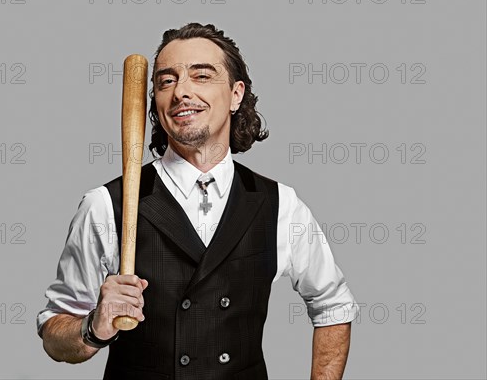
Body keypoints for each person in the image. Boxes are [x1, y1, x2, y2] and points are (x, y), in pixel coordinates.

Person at [37, 23, 359, 380]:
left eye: (202, 76)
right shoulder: (104, 205)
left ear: (236, 94)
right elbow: (55, 334)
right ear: (155, 102)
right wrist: (93, 328)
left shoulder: (280, 204)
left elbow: (334, 306)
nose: (181, 92)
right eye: (166, 81)